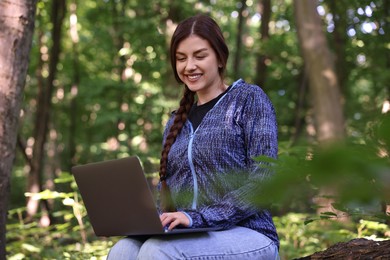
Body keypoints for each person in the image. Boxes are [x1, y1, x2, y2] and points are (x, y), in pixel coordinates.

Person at [107, 14, 279, 259]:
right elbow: (170, 195)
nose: (189, 66)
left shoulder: (248, 99)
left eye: (200, 56)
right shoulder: (176, 121)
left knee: (157, 251)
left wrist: (198, 217)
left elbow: (264, 179)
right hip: (194, 235)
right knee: (123, 250)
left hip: (250, 234)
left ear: (220, 58)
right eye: (181, 58)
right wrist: (151, 220)